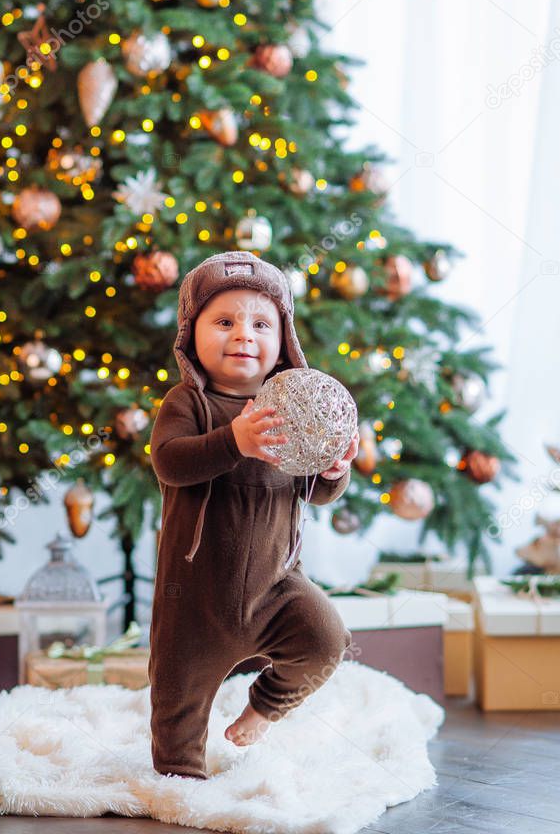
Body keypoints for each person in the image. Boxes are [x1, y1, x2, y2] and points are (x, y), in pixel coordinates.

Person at [148, 250, 360, 779]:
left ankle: (264, 707)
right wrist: (233, 441)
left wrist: (332, 470)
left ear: (283, 341)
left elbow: (315, 493)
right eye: (224, 321)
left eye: (261, 324)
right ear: (190, 335)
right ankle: (180, 776)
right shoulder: (188, 403)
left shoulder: (293, 412)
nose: (244, 334)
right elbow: (170, 464)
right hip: (193, 599)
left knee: (326, 639)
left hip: (276, 588)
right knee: (177, 700)